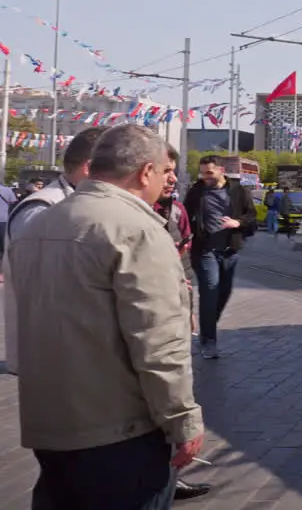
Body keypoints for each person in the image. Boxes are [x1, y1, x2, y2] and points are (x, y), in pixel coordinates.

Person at [8, 124, 204, 508]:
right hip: (120, 430)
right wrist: (183, 420)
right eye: (166, 171)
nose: (169, 180)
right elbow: (158, 342)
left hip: (49, 425)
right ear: (145, 171)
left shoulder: (41, 222)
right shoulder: (137, 229)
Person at [2, 127, 106, 377]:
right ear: (89, 168)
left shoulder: (82, 202)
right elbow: (40, 283)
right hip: (53, 356)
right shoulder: (43, 207)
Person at [153, 146, 215, 502]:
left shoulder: (175, 210)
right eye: (167, 170)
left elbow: (185, 249)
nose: (174, 178)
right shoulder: (130, 216)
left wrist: (185, 303)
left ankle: (169, 477)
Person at [183, 155, 257, 360]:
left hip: (229, 251)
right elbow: (185, 216)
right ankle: (209, 341)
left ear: (221, 170)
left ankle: (208, 328)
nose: (205, 177)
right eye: (203, 173)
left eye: (209, 172)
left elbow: (251, 216)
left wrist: (237, 223)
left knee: (223, 293)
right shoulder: (197, 192)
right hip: (205, 250)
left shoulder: (238, 191)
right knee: (210, 291)